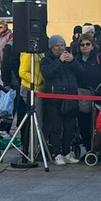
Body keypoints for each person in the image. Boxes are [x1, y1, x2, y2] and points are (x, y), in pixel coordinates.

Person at [40, 34, 83, 166]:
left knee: (69, 127)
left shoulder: (71, 59)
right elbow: (47, 73)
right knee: (56, 128)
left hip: (70, 97)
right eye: (57, 45)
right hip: (54, 98)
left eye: (62, 45)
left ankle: (67, 152)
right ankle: (57, 153)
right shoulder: (46, 60)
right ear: (51, 47)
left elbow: (81, 73)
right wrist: (59, 61)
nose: (60, 48)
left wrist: (72, 61)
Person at [73, 32, 101, 153]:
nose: (85, 46)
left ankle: (100, 149)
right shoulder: (76, 60)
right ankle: (88, 150)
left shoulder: (100, 57)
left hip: (99, 97)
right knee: (84, 124)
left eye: (88, 44)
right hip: (82, 97)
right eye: (82, 44)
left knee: (99, 125)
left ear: (93, 45)